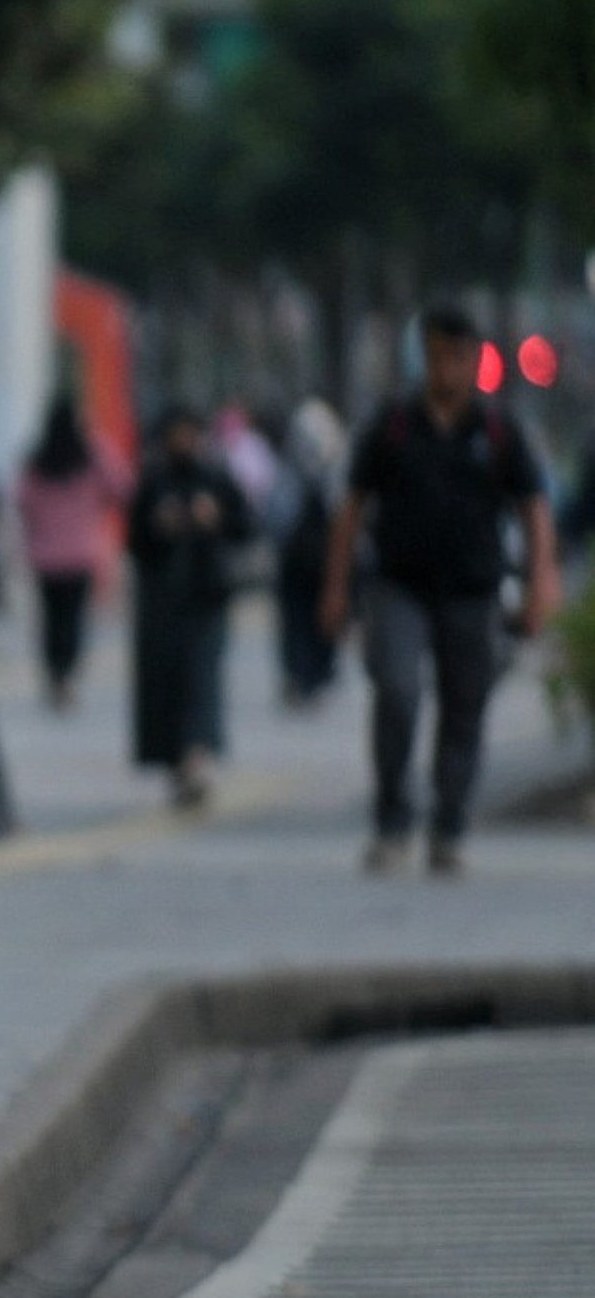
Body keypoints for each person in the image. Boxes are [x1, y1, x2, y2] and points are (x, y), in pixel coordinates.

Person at [321, 304, 560, 875]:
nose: (446, 368)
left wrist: (539, 581)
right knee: (397, 694)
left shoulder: (498, 431)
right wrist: (335, 587)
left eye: (457, 356)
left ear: (474, 357)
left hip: (473, 590)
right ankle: (392, 821)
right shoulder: (392, 426)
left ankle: (448, 824)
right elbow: (351, 508)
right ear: (421, 356)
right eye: (435, 356)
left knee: (465, 707)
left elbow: (534, 509)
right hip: (398, 585)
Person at [127, 406, 254, 809]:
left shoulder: (216, 478)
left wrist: (214, 517)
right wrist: (157, 525)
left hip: (206, 596)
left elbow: (246, 526)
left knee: (202, 679)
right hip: (162, 600)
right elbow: (133, 538)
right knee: (167, 683)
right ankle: (177, 763)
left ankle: (196, 757)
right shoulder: (155, 480)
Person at [13, 396, 124, 710]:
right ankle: (66, 674)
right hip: (81, 553)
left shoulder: (37, 458)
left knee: (51, 619)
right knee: (73, 620)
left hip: (45, 555)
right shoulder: (90, 455)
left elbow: (21, 501)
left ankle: (54, 671)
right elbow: (121, 486)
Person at [269, 400, 347, 707]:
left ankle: (318, 674)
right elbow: (277, 514)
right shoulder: (289, 471)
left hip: (324, 559)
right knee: (296, 620)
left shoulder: (336, 469)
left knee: (322, 618)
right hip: (296, 560)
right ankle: (300, 675)